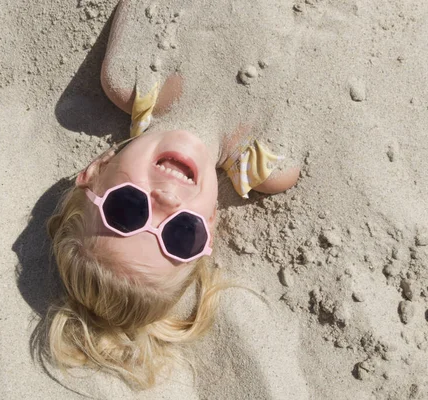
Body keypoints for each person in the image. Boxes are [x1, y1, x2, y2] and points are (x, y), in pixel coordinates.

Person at [46, 0, 300, 389]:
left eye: (127, 209)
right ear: (210, 227)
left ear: (96, 170)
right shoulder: (267, 166)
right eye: (181, 235)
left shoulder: (131, 77)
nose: (164, 203)